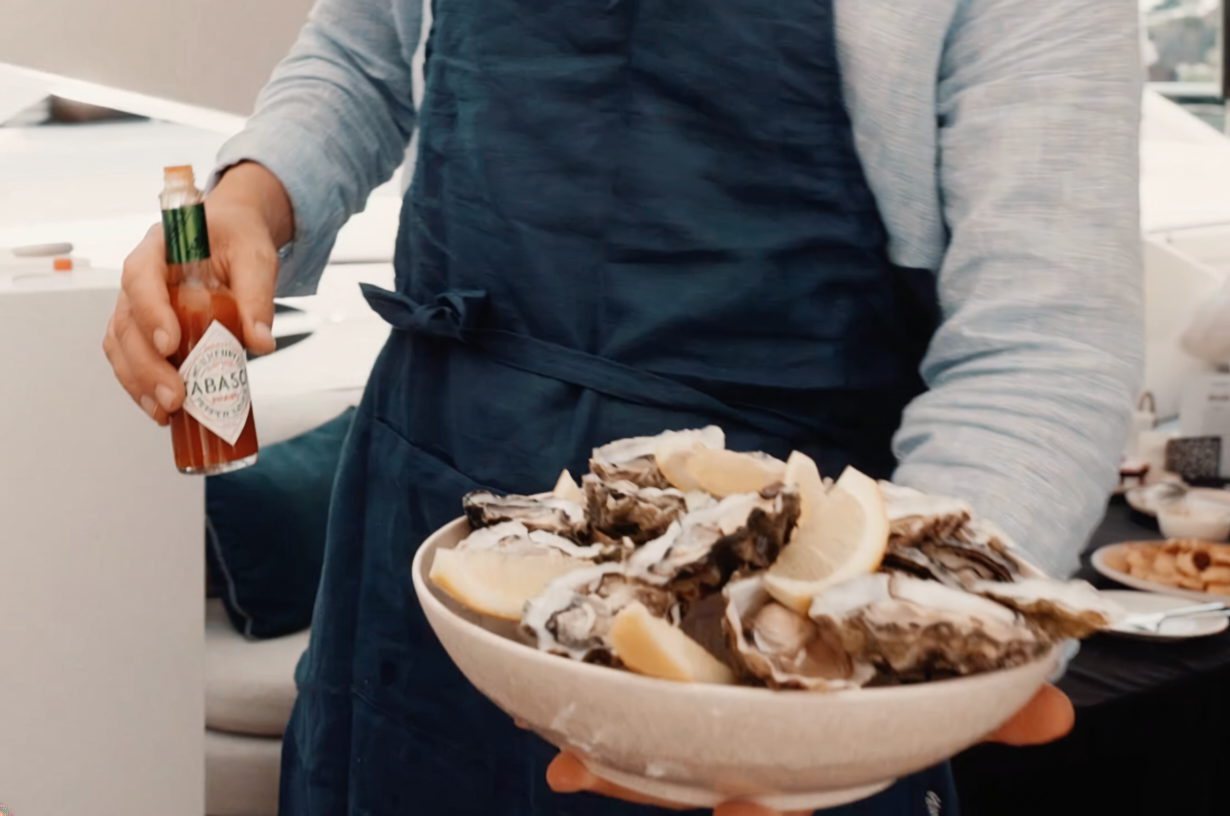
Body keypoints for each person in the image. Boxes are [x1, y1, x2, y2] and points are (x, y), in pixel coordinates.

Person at [102, 0, 1143, 812]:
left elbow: (1038, 350)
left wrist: (877, 675)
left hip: (751, 628)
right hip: (422, 540)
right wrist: (250, 195)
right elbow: (362, 57)